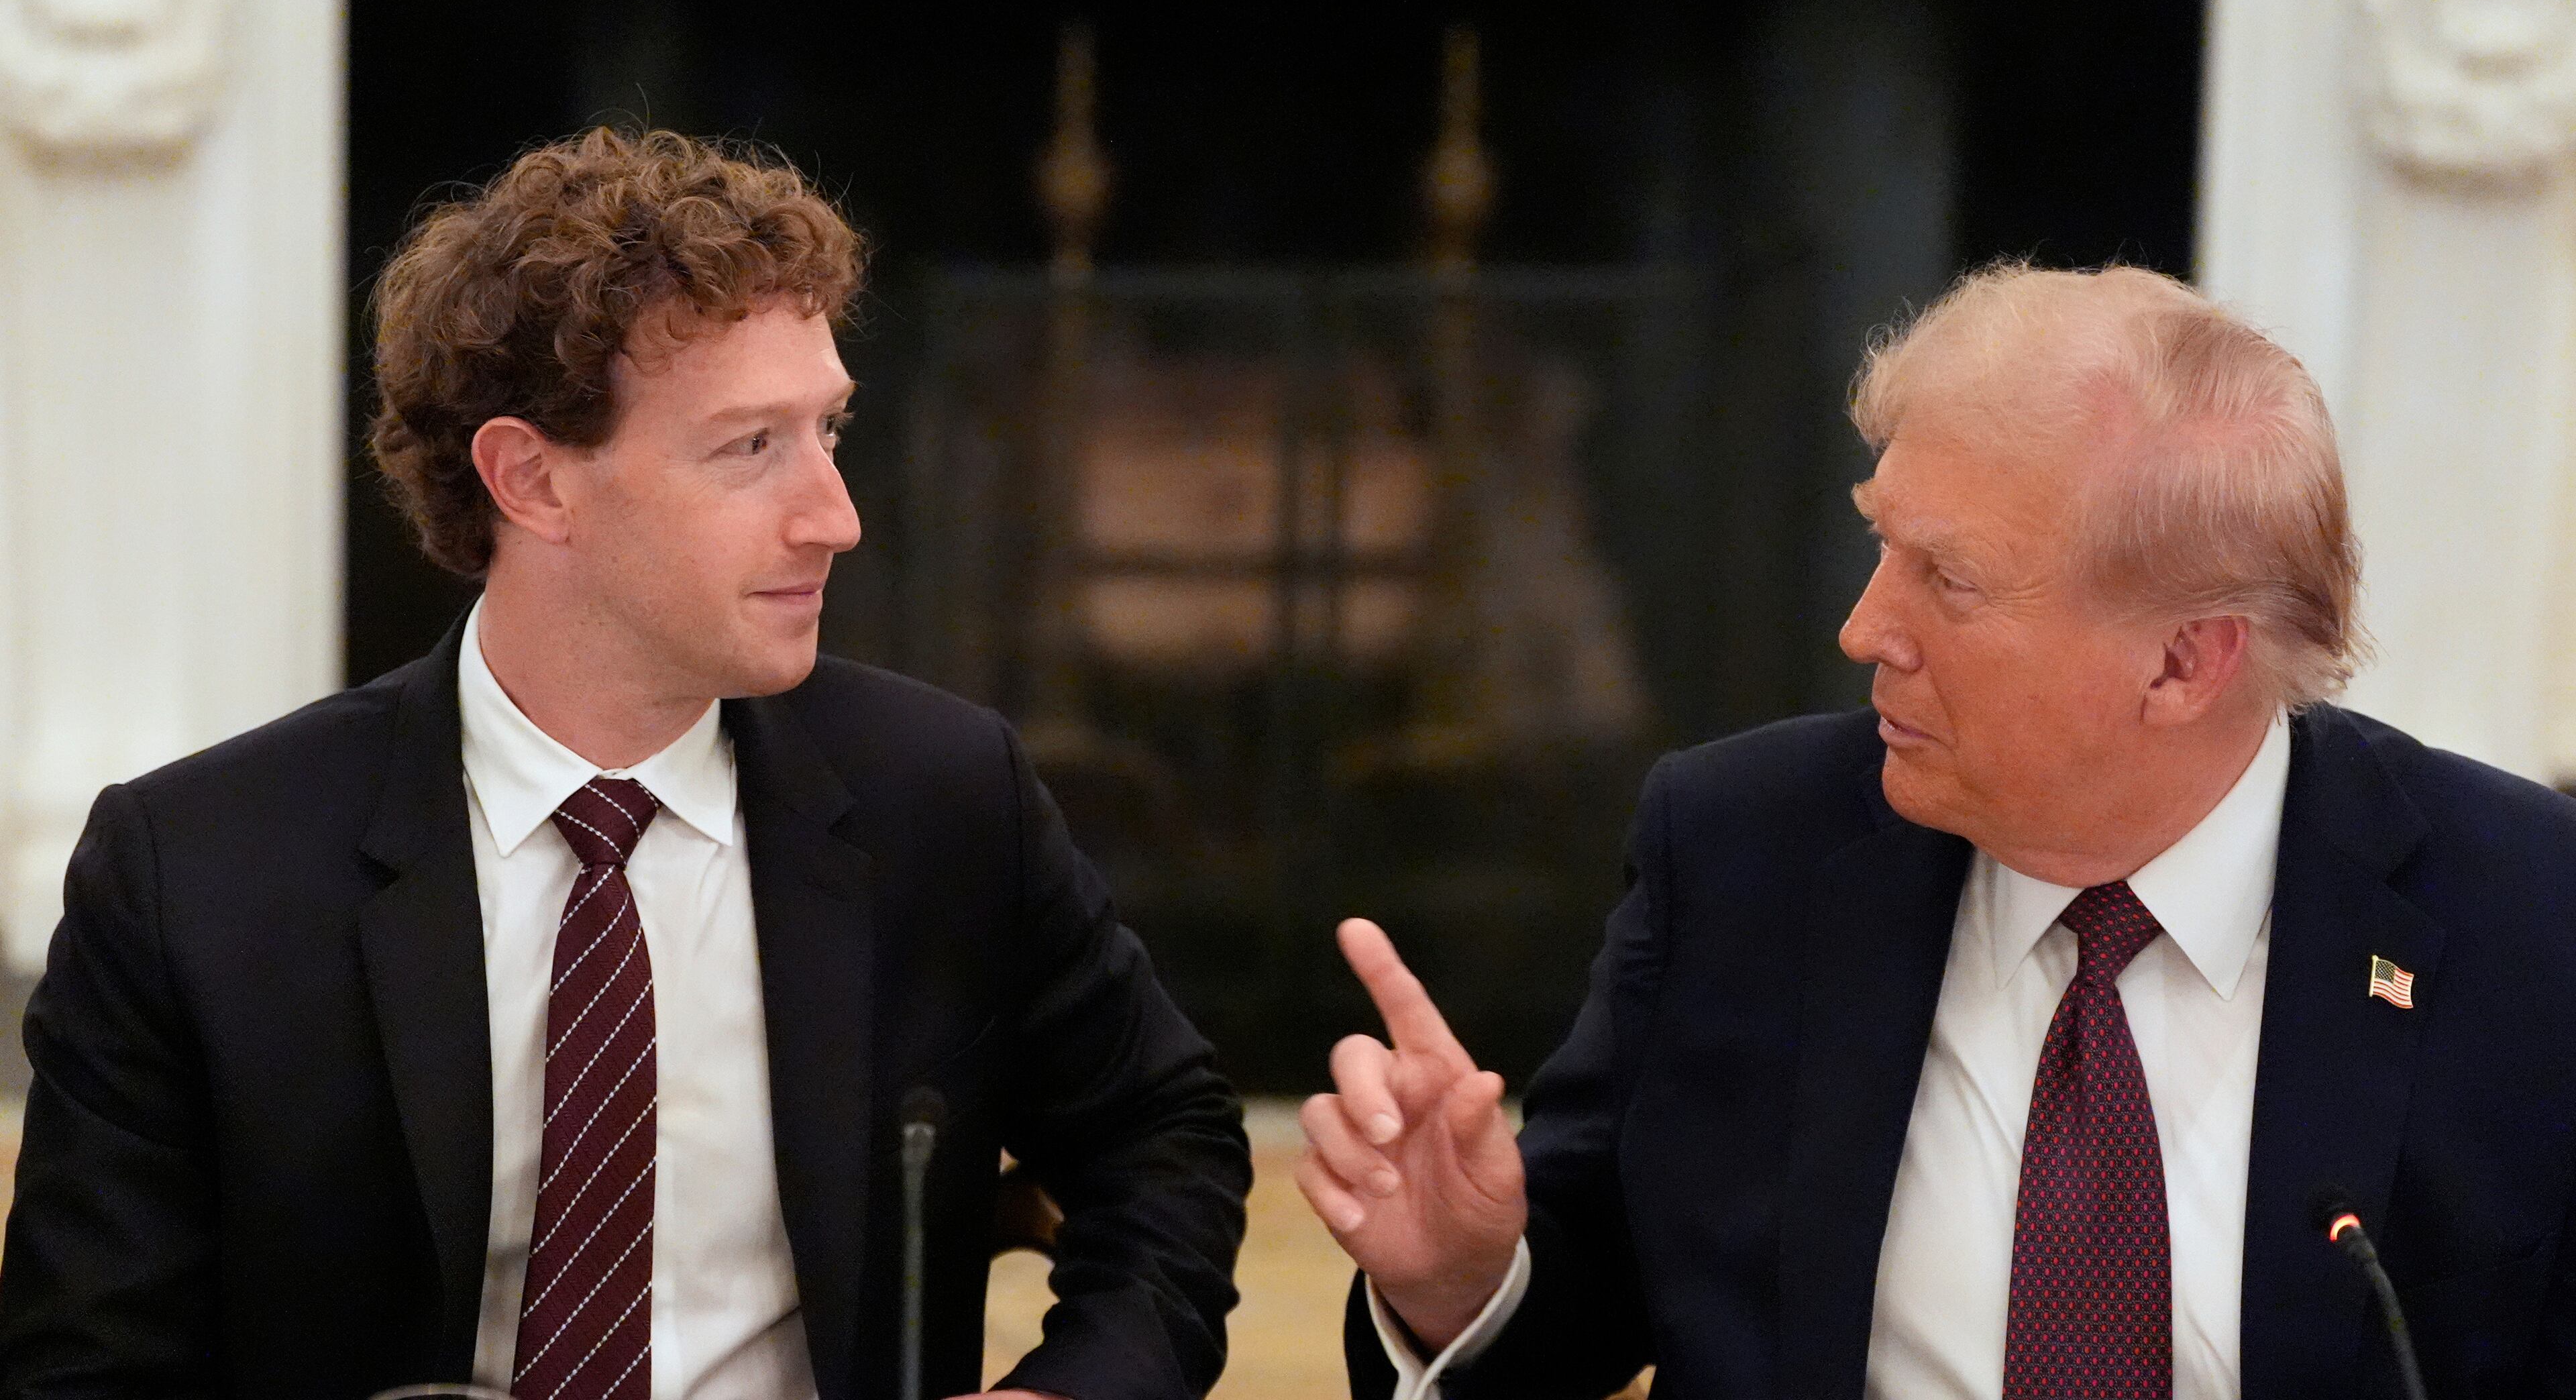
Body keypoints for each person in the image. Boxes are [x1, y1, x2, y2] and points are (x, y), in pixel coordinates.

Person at [0, 128, 1250, 1400]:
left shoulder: (942, 797)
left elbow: (1167, 1139)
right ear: (532, 480)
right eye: (751, 447)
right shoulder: (197, 874)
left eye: (829, 429)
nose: (837, 514)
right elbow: (87, 1371)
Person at [1299, 262, 2576, 1399]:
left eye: (1947, 580)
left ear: (2185, 663)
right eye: (1880, 546)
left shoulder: (2523, 918)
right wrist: (1460, 1282)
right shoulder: (1748, 854)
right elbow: (1575, 1304)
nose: (1866, 629)